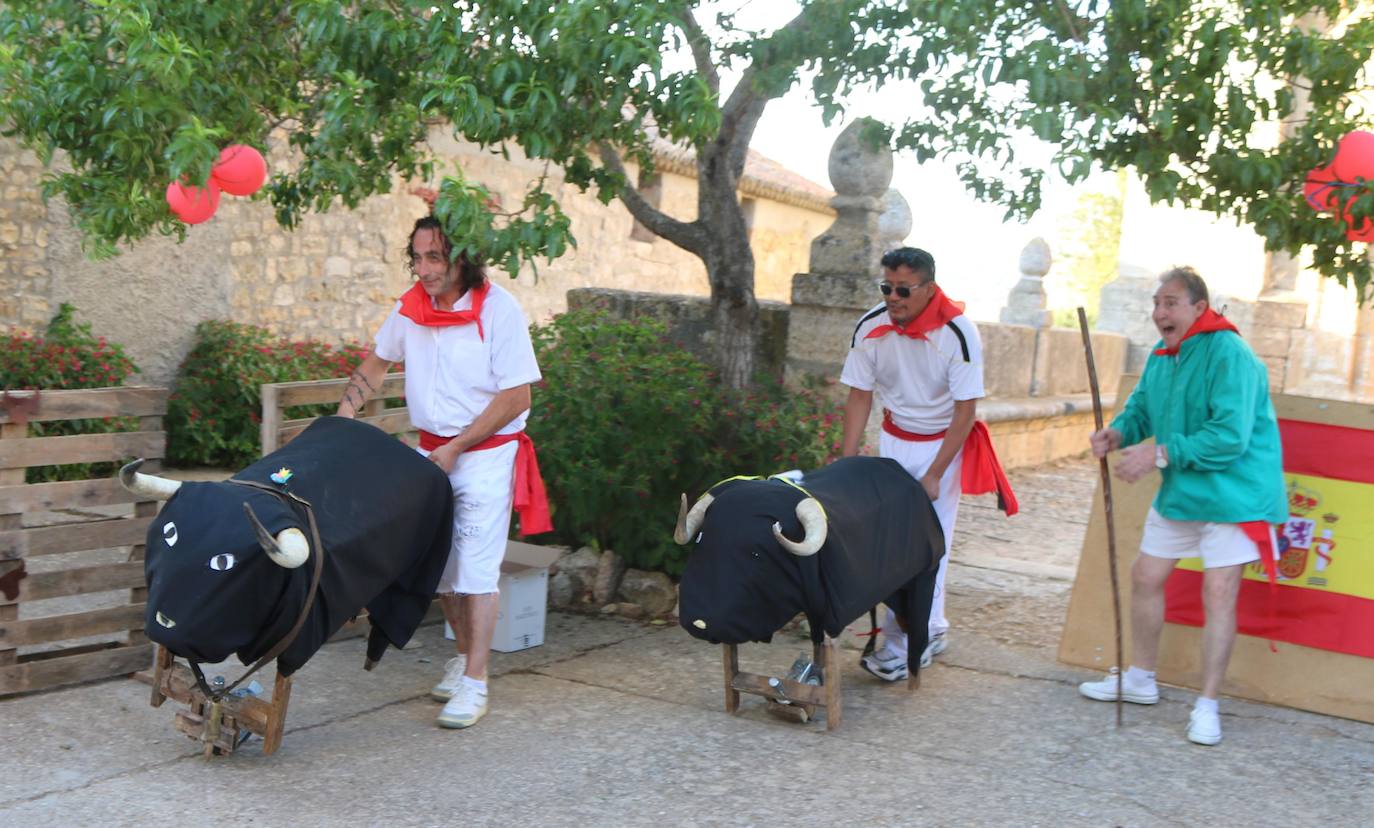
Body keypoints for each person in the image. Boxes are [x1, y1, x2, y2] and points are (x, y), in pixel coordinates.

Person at [337, 215, 550, 730]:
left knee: (476, 571)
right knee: (445, 569)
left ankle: (476, 682)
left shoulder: (498, 309)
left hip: (484, 454)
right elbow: (375, 363)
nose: (423, 268)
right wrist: (341, 421)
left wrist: (458, 446)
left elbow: (517, 394)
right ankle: (461, 659)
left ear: (462, 259)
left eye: (434, 257)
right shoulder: (410, 308)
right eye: (416, 256)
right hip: (432, 452)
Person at [1076, 266, 1286, 746]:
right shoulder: (1161, 355)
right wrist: (1120, 432)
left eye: (1170, 303)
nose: (1159, 313)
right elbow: (1143, 408)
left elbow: (1229, 438)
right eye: (1156, 303)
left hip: (1236, 495)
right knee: (1146, 576)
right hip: (1186, 490)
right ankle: (1141, 678)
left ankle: (1208, 703)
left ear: (1198, 307)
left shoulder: (1230, 353)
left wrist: (1160, 453)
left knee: (1219, 592)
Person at [840, 247, 1016, 683]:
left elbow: (965, 411)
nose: (893, 297)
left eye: (903, 289)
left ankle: (904, 645)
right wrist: (846, 463)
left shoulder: (958, 333)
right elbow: (860, 394)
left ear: (929, 289)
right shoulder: (870, 325)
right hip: (894, 438)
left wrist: (935, 472)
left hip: (942, 446)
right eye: (887, 287)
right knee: (887, 540)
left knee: (926, 546)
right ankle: (930, 629)